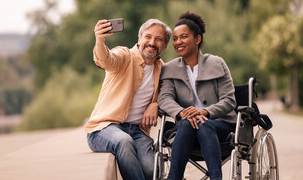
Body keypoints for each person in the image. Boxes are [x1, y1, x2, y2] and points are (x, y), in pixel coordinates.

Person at [84, 18, 172, 180]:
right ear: (139, 39)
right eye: (148, 37)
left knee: (151, 171)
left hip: (137, 132)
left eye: (158, 39)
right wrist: (100, 40)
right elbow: (106, 59)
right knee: (123, 141)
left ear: (164, 46)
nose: (152, 43)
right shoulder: (125, 56)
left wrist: (155, 104)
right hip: (103, 128)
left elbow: (169, 95)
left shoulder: (162, 69)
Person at [158, 11, 237, 180]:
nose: (178, 42)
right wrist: (182, 112)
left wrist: (204, 113)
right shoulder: (169, 69)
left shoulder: (217, 63)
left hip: (221, 126)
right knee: (187, 123)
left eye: (184, 37)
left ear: (197, 39)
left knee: (204, 124)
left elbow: (229, 100)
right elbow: (164, 98)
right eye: (175, 38)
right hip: (186, 129)